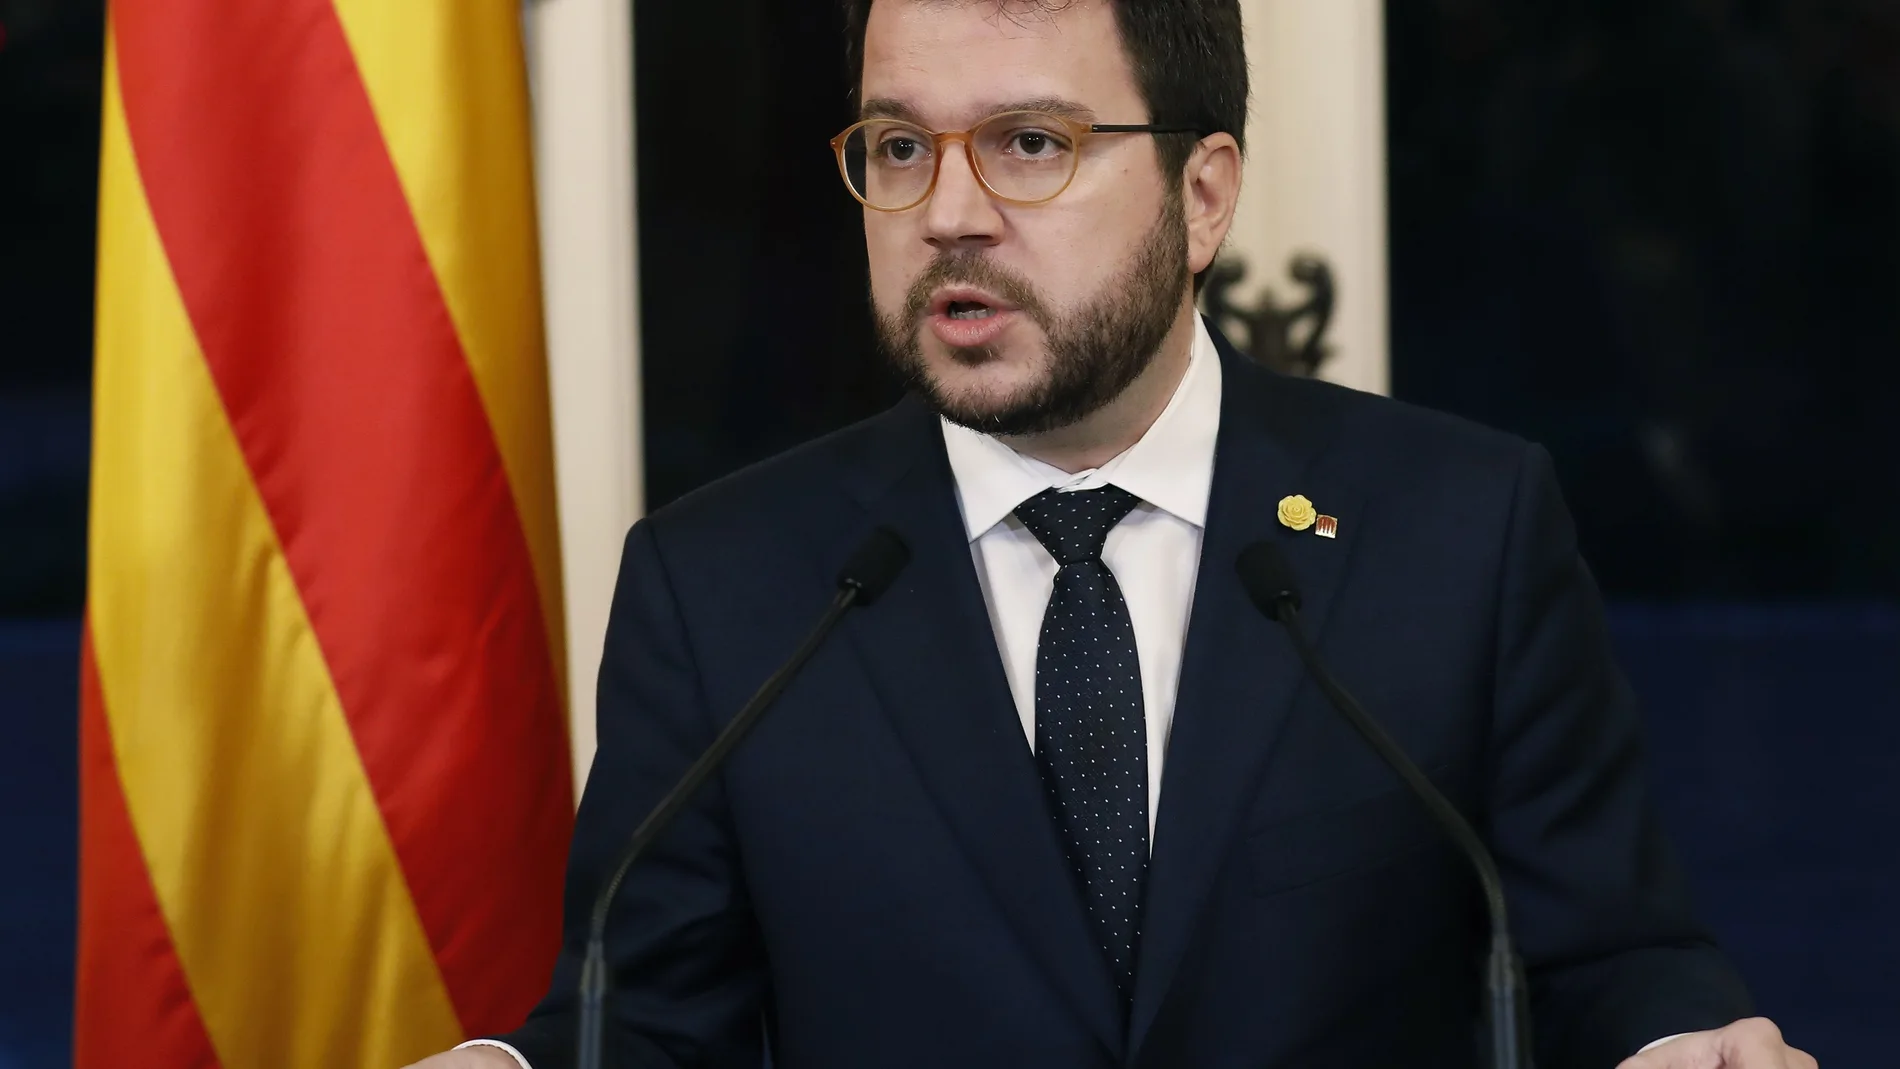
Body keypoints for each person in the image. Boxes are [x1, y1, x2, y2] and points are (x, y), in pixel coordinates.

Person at [409, 1, 1817, 1066]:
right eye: (899, 145)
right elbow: (645, 1021)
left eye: (1031, 145)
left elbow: (1610, 961)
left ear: (1203, 196)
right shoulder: (727, 586)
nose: (948, 214)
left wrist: (1679, 1040)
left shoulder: (1460, 529)